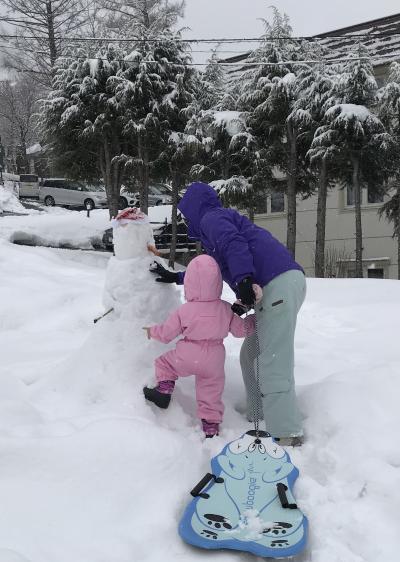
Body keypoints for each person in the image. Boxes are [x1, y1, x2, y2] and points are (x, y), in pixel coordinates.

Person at [151, 182, 306, 446]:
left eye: (186, 215)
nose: (186, 222)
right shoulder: (214, 231)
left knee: (271, 360)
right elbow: (210, 271)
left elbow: (234, 245)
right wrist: (177, 276)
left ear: (194, 209)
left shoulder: (212, 219)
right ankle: (258, 413)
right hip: (276, 286)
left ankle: (286, 432)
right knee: (250, 356)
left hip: (277, 283)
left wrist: (244, 279)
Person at [143, 254, 255, 438]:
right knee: (210, 392)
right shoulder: (225, 308)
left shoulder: (185, 310)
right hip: (214, 359)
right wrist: (252, 321)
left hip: (187, 354)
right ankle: (210, 427)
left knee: (164, 363)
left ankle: (163, 390)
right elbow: (240, 331)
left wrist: (151, 331)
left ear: (189, 283)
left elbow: (166, 334)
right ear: (217, 282)